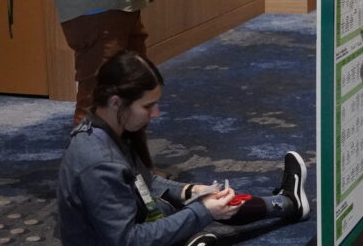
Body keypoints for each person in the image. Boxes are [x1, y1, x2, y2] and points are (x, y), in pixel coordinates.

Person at [56, 51, 310, 246]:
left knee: (208, 203)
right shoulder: (100, 162)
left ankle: (288, 203)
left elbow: (145, 183)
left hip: (138, 216)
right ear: (116, 102)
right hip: (127, 237)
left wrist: (191, 192)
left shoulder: (103, 130)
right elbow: (129, 241)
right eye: (148, 106)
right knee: (202, 217)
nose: (156, 113)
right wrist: (201, 211)